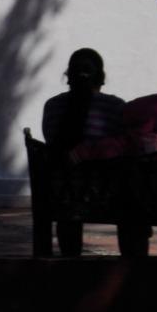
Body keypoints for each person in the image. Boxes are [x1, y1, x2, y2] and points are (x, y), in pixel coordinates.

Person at [38, 48, 126, 255]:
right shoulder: (115, 107)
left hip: (61, 194)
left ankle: (70, 262)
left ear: (68, 78)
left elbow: (49, 140)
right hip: (106, 194)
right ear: (101, 78)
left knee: (68, 201)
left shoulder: (53, 107)